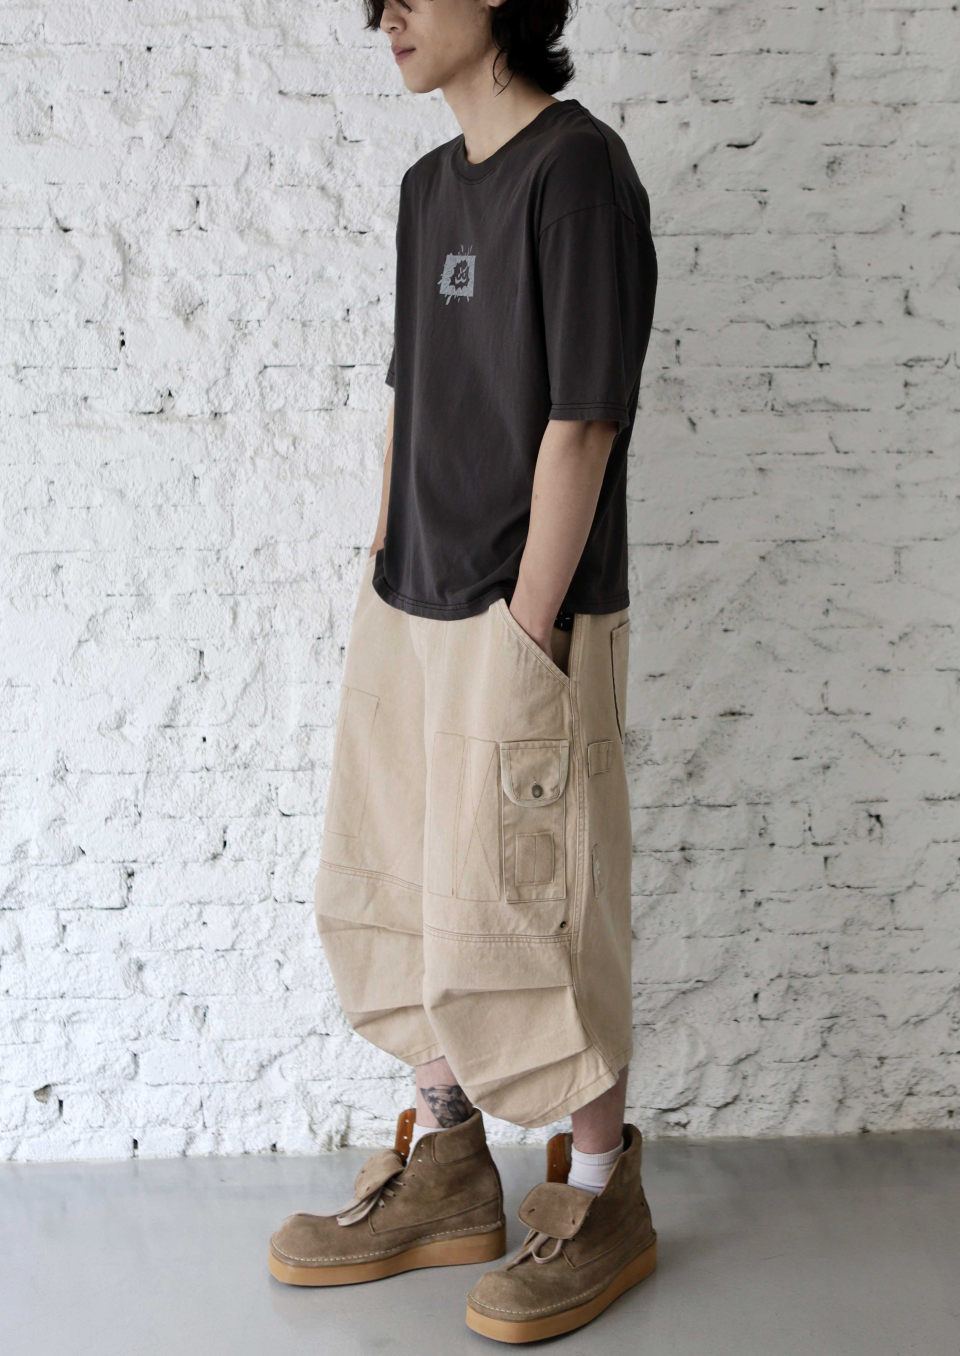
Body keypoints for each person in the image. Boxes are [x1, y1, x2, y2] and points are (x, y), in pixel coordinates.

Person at [268, 0, 658, 1339]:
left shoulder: (576, 170)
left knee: (538, 903)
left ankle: (600, 1193)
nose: (384, 17)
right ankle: (448, 1165)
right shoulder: (427, 187)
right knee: (399, 880)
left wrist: (530, 629)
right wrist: (382, 566)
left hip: (525, 614)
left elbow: (584, 419)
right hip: (412, 599)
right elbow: (411, 397)